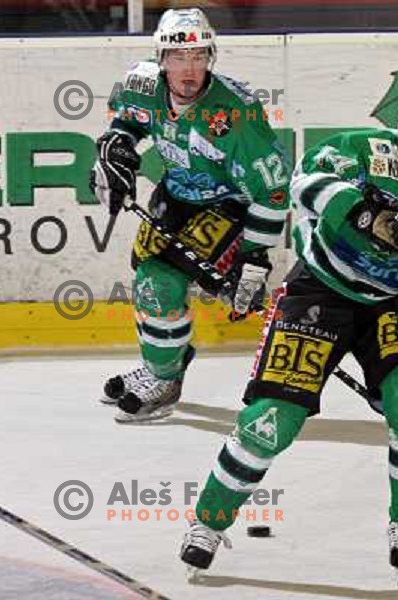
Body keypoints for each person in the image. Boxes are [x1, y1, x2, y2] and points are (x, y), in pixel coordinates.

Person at [179, 94, 398, 577]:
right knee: (272, 418)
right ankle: (208, 521)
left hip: (395, 304)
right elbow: (302, 181)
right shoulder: (365, 153)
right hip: (319, 288)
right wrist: (364, 212)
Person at [90, 8, 291, 424]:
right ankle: (159, 365)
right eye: (180, 58)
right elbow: (128, 121)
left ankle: (164, 379)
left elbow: (272, 192)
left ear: (210, 57)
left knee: (159, 282)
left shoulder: (236, 113)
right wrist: (117, 149)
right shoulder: (141, 83)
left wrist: (253, 260)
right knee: (147, 277)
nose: (190, 68)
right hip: (176, 192)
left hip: (229, 204)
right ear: (161, 60)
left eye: (199, 56)